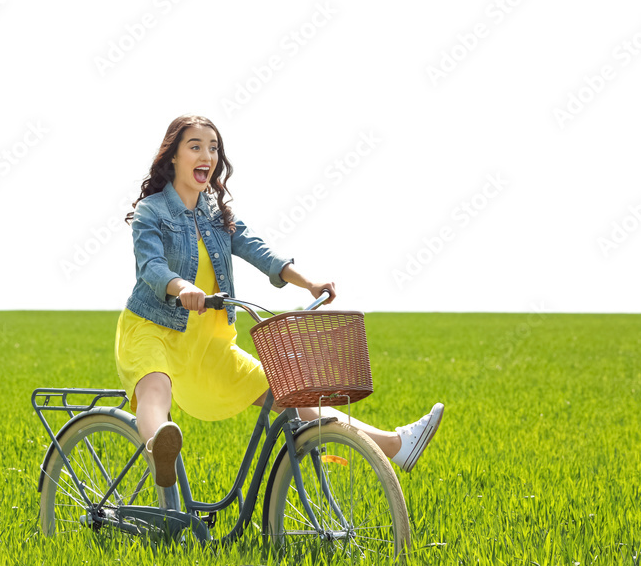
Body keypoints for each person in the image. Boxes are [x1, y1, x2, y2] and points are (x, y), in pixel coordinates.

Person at [115, 114, 443, 487]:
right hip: (152, 330)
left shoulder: (217, 214)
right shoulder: (151, 211)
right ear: (173, 156)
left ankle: (396, 445)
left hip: (209, 345)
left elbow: (260, 252)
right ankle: (160, 445)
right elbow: (152, 267)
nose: (206, 155)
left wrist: (307, 282)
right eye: (195, 147)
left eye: (213, 148)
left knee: (291, 394)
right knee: (154, 388)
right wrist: (180, 287)